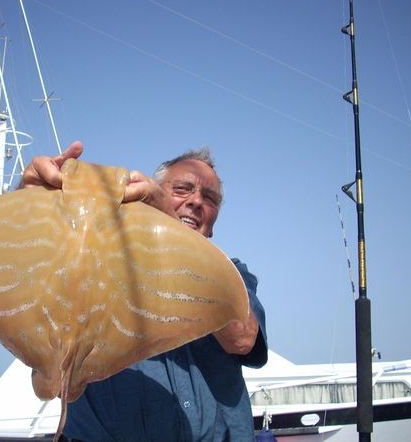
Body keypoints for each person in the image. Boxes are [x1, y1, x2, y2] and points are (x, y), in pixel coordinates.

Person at [20, 141, 268, 441]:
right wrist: (31, 208)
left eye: (210, 198)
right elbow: (46, 376)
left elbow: (242, 339)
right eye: (182, 189)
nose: (196, 201)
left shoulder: (233, 274)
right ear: (148, 193)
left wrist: (172, 229)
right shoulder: (95, 265)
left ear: (213, 222)